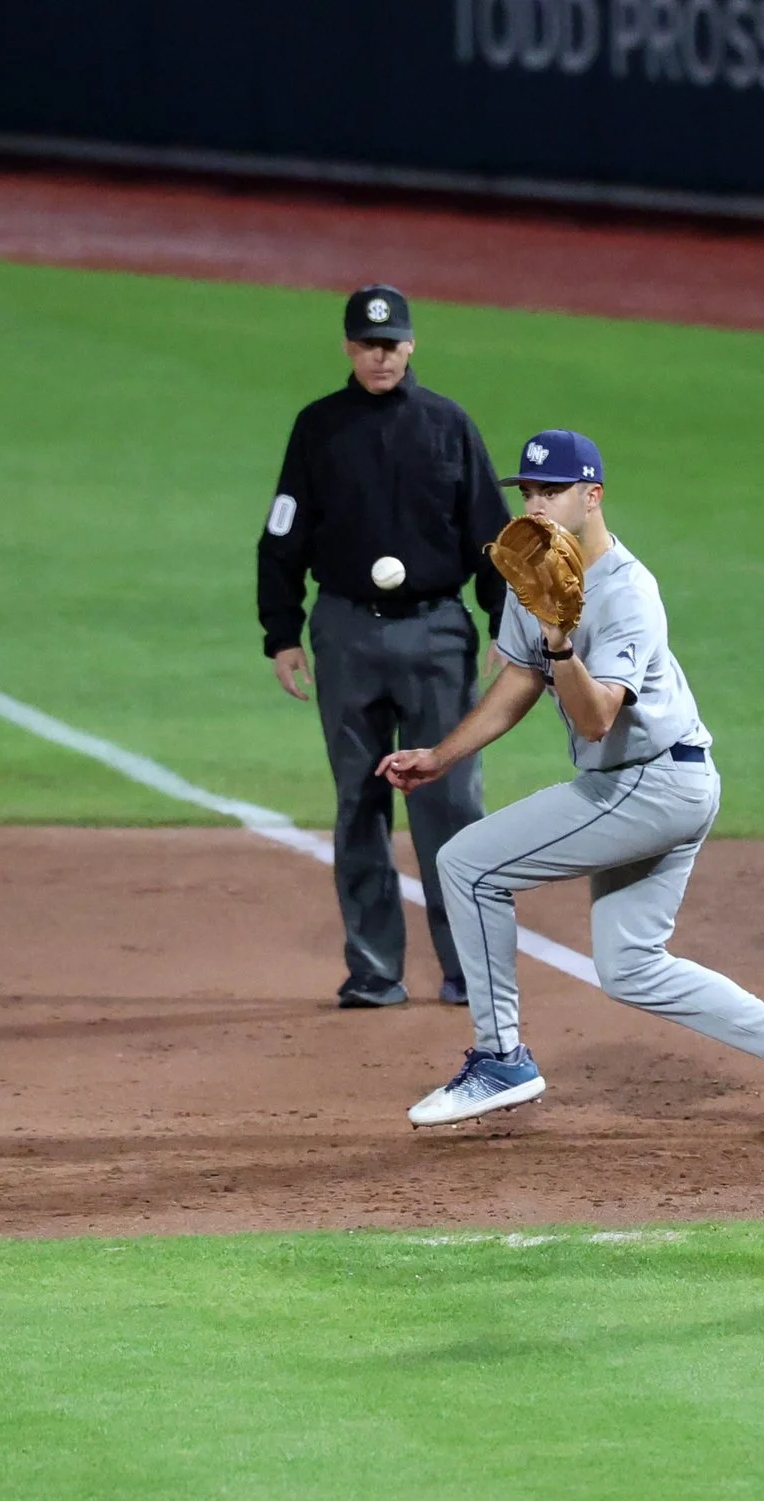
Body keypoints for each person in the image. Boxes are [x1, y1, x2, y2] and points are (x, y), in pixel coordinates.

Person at [377, 429, 764, 1132]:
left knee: (467, 865)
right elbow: (521, 679)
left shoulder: (627, 591)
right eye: (527, 491)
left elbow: (594, 718)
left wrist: (560, 641)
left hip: (652, 785)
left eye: (551, 490)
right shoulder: (535, 572)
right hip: (648, 783)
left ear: (593, 495)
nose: (537, 504)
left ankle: (499, 1057)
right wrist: (443, 755)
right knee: (630, 965)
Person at [257, 284, 512, 1008]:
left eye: (392, 342)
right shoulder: (318, 429)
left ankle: (469, 970)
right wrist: (281, 632)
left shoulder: (448, 426)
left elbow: (491, 538)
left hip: (436, 631)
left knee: (451, 803)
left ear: (411, 345)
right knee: (358, 799)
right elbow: (281, 537)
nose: (381, 355)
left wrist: (502, 623)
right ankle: (374, 969)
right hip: (343, 631)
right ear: (347, 346)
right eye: (369, 344)